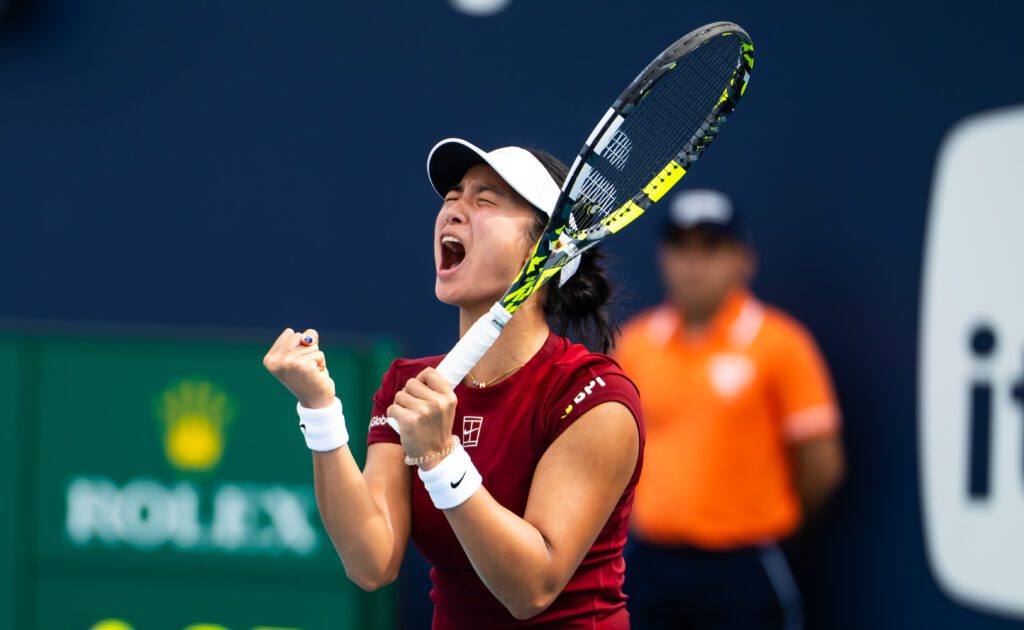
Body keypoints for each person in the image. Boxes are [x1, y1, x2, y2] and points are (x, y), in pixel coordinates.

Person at [263, 139, 645, 628]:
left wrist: (442, 459)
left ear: (548, 250)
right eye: (451, 198)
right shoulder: (408, 384)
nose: (454, 211)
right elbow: (371, 563)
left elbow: (532, 588)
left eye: (485, 201)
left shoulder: (593, 397)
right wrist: (320, 412)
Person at [615, 189, 844, 630]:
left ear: (743, 259)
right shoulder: (637, 344)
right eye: (682, 247)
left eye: (711, 248)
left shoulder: (781, 345)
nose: (694, 263)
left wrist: (767, 519)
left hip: (743, 568)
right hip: (650, 563)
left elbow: (822, 464)